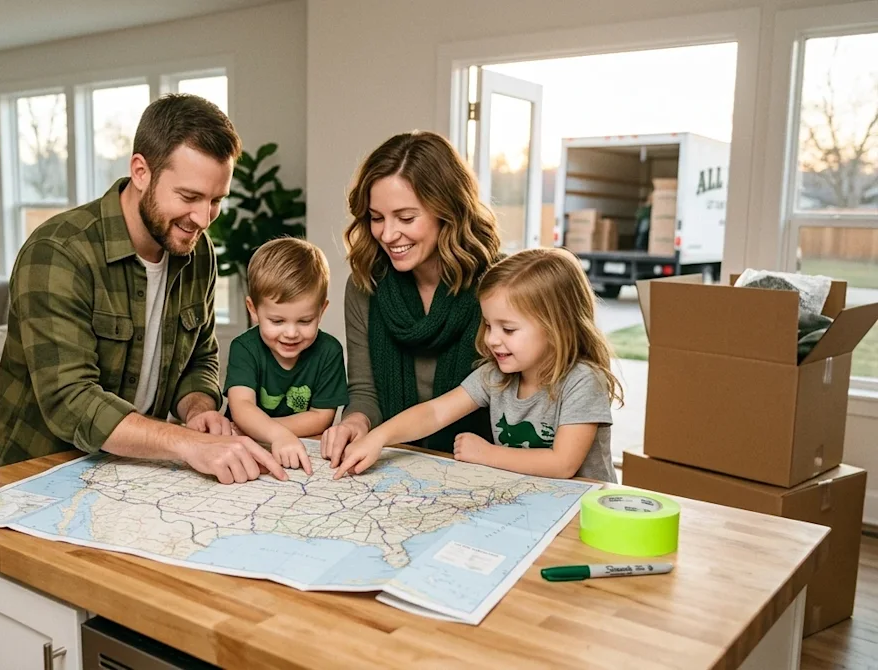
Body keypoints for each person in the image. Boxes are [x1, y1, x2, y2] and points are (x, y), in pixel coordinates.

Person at [0, 93, 286, 485]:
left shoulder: (198, 251)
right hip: (36, 479)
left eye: (216, 200)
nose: (202, 218)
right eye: (189, 196)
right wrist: (188, 443)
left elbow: (199, 359)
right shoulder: (58, 252)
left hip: (131, 475)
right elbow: (70, 401)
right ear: (141, 172)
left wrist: (198, 410)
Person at [333, 248, 624, 483]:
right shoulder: (495, 375)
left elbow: (562, 464)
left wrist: (486, 453)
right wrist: (379, 437)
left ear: (556, 327)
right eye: (488, 325)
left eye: (508, 329)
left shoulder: (583, 380)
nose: (492, 339)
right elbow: (435, 412)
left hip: (585, 510)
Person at [321, 130, 502, 466]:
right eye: (376, 218)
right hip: (401, 460)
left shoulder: (500, 285)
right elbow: (364, 392)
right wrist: (355, 422)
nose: (388, 235)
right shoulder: (364, 286)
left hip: (486, 464)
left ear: (447, 210)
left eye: (406, 218)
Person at [223, 237, 348, 476]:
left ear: (321, 311)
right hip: (244, 449)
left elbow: (321, 417)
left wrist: (270, 432)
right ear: (253, 309)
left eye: (305, 321)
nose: (291, 333)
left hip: (299, 449)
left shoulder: (329, 351)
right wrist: (277, 435)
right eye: (277, 321)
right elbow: (242, 407)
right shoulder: (244, 348)